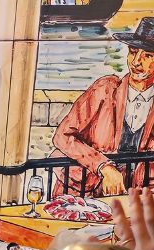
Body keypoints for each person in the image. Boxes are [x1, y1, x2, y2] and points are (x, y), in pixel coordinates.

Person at [52, 17, 154, 198]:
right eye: (133, 52)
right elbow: (63, 136)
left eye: (148, 56)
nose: (136, 62)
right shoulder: (105, 89)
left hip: (132, 200)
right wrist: (103, 166)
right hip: (84, 195)